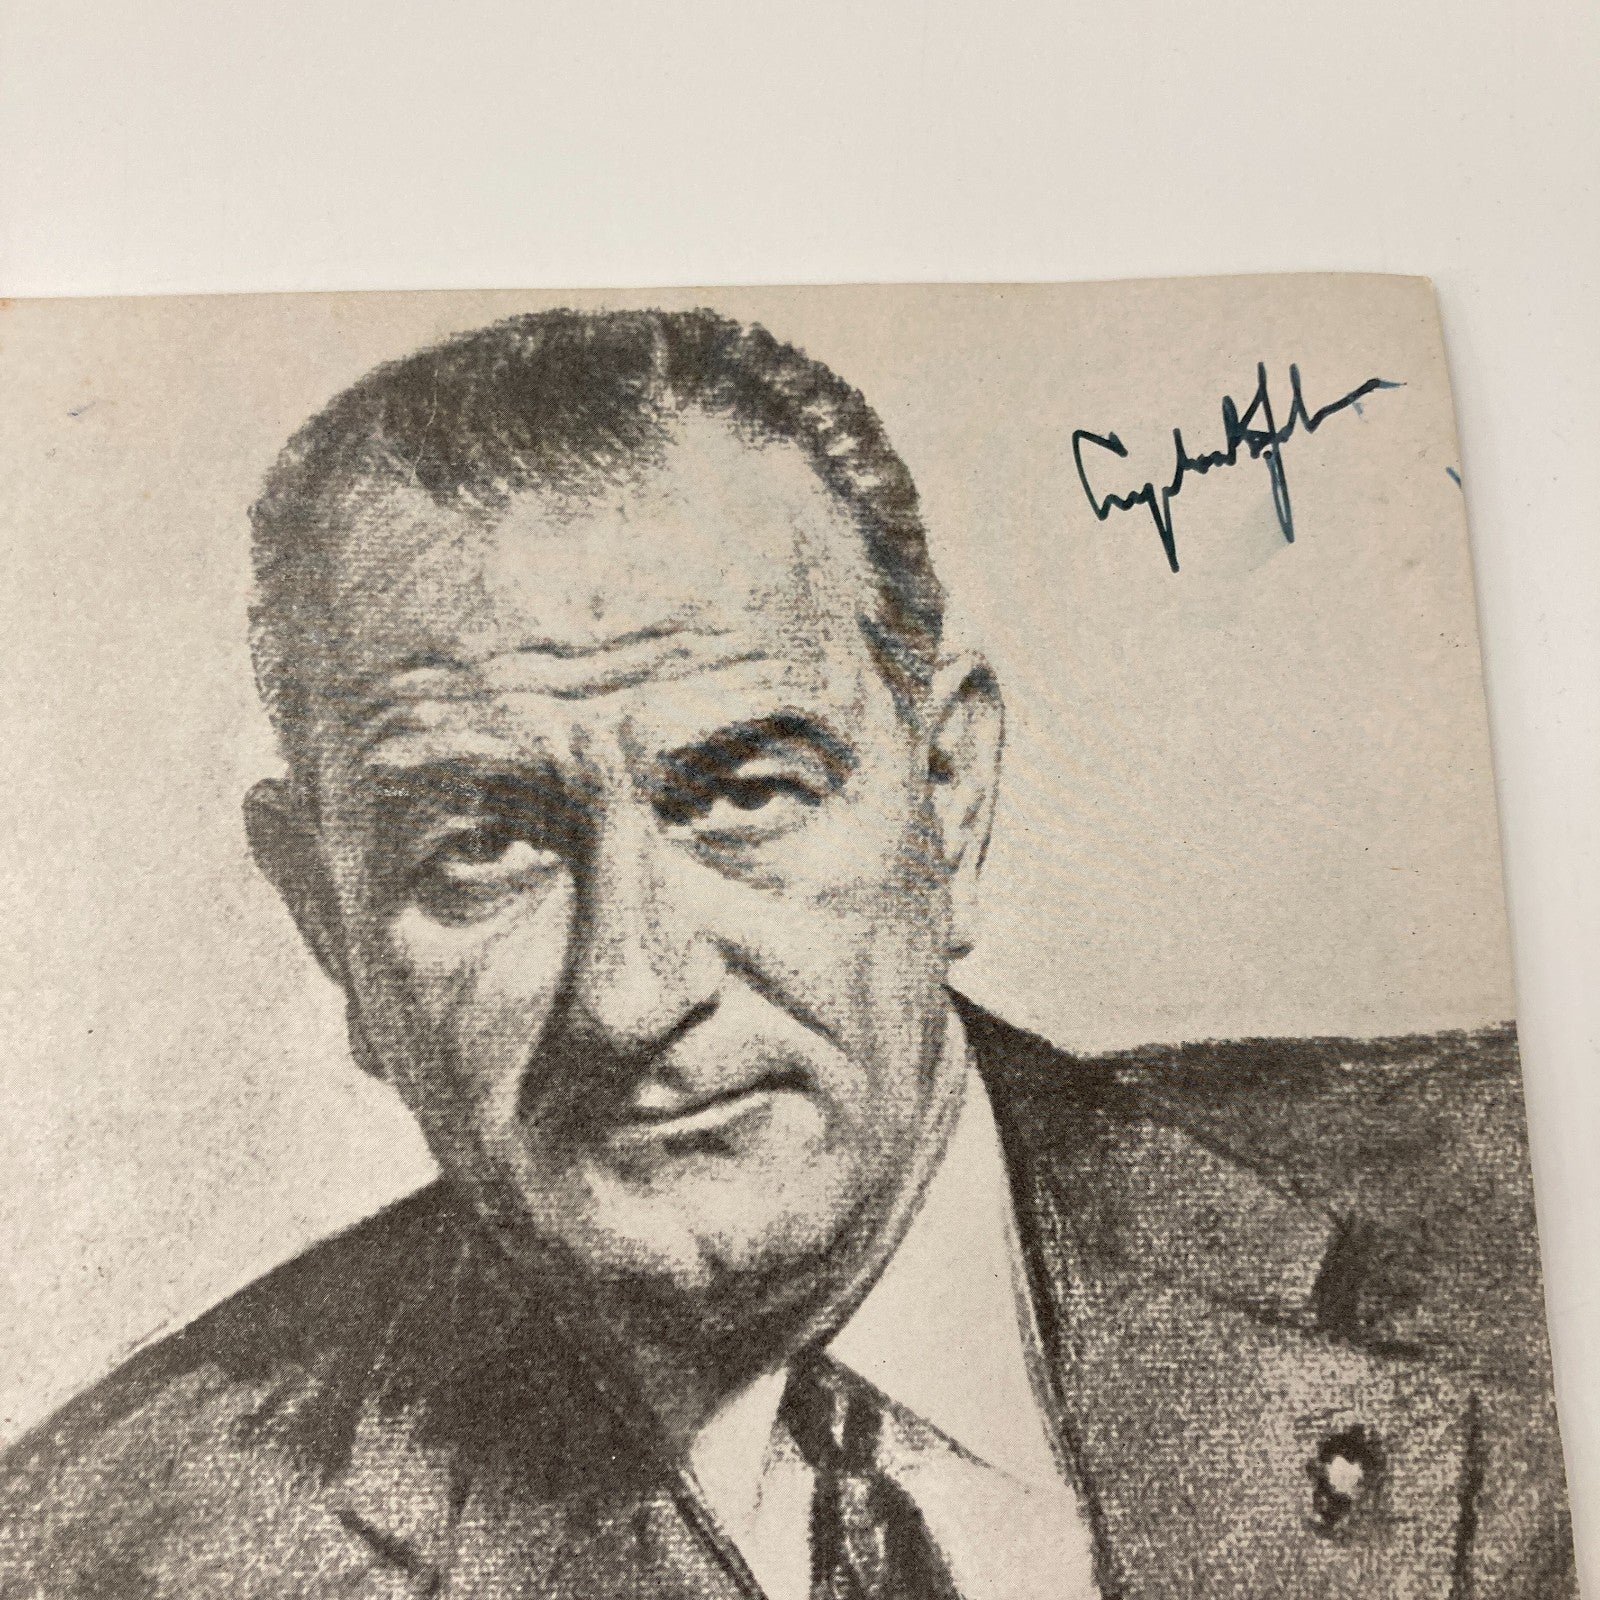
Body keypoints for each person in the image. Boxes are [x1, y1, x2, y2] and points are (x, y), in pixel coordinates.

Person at [0, 309, 1574, 1598]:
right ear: (327, 921)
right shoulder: (104, 1557)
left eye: (744, 794)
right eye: (481, 845)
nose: (632, 992)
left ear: (948, 798)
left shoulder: (1537, 1229)